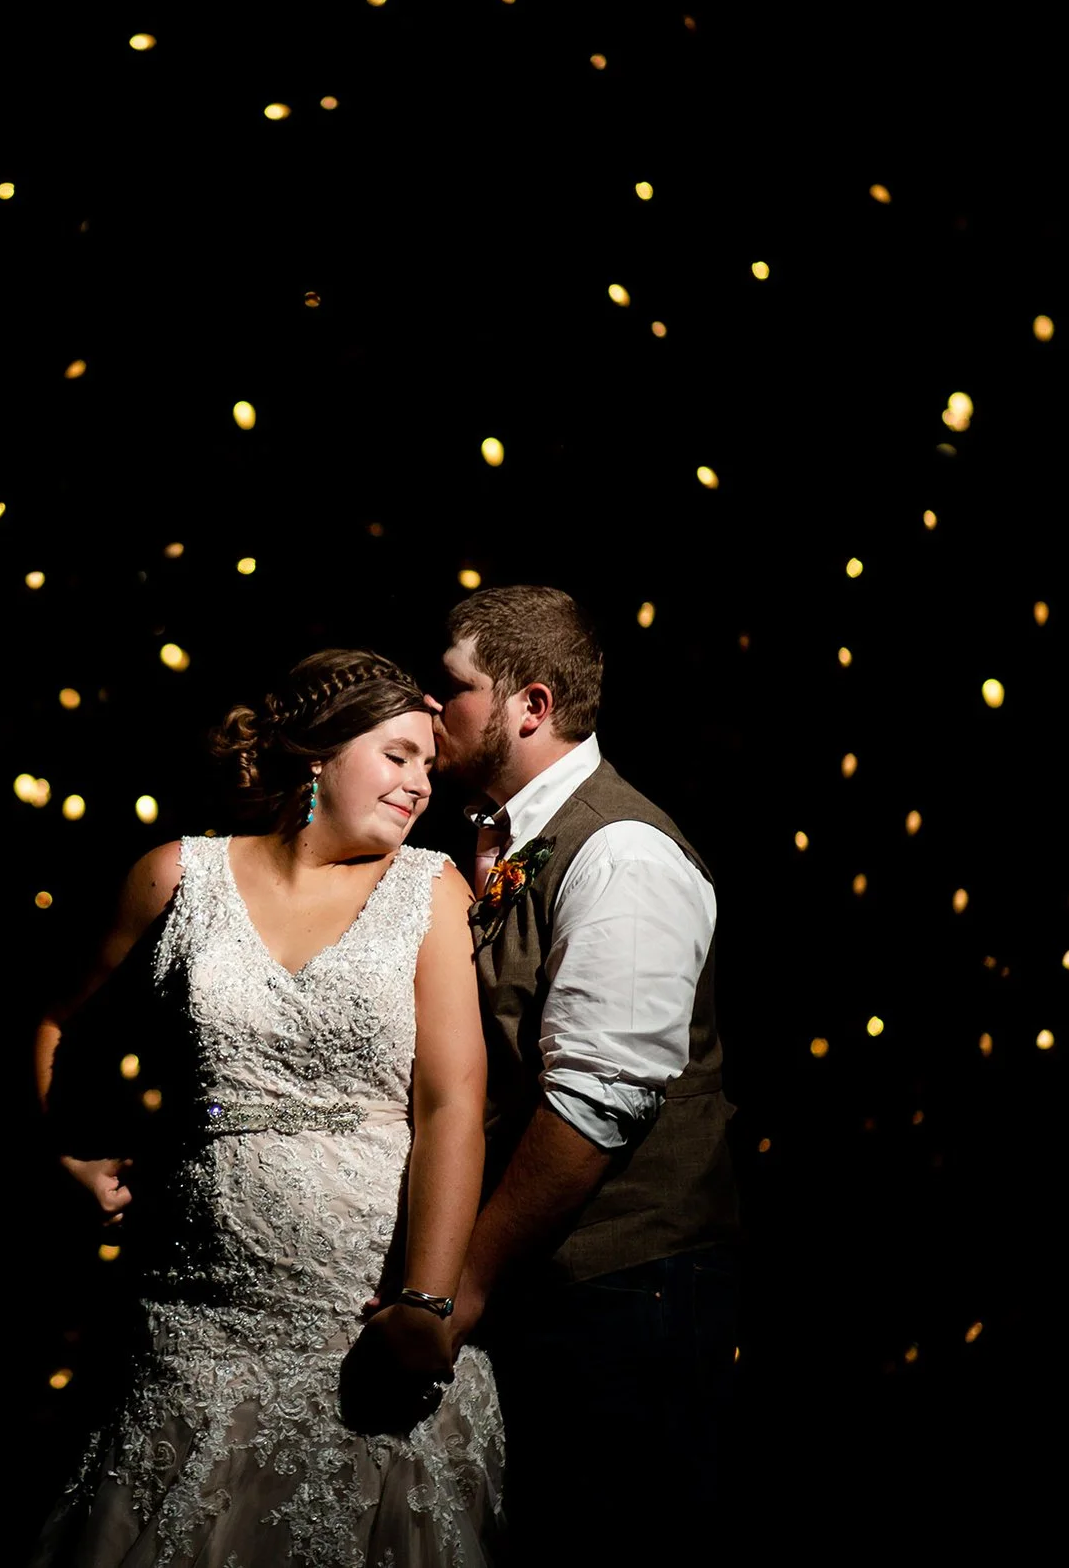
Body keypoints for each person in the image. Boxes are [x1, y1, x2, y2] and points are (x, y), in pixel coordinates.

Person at [26, 648, 507, 1567]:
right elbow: (53, 1015)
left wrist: (426, 1302)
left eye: (430, 769)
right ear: (319, 753)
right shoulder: (178, 876)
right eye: (399, 755)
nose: (418, 785)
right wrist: (61, 1153)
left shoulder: (428, 887)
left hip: (365, 1328)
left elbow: (453, 1102)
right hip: (195, 1326)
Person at [421, 585, 740, 1515]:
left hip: (626, 1291)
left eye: (455, 687)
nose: (432, 708)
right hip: (551, 1287)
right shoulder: (489, 839)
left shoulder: (623, 852)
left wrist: (461, 1288)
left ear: (532, 706)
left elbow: (597, 1099)